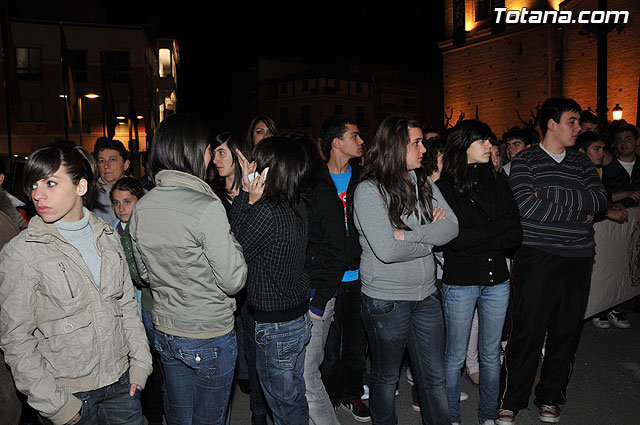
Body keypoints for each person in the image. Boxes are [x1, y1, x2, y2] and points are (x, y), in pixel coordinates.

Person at [0, 144, 152, 425]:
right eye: (34, 184)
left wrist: (141, 364)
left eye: (50, 183)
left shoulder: (108, 237)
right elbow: (16, 338)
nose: (37, 194)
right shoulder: (22, 252)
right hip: (67, 395)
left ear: (81, 186)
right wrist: (54, 404)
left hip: (121, 384)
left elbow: (126, 305)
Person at [129, 114, 247, 425]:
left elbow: (143, 273)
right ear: (192, 152)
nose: (210, 154)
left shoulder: (142, 206)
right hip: (208, 332)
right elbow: (234, 280)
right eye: (207, 148)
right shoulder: (206, 207)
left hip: (166, 329)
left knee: (179, 417)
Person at [497, 98, 607, 425]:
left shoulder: (582, 163)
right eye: (572, 121)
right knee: (527, 330)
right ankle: (511, 400)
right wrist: (578, 212)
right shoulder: (526, 160)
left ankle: (551, 396)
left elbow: (600, 201)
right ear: (552, 124)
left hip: (578, 257)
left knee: (566, 331)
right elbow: (527, 207)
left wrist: (551, 196)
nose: (578, 128)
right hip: (536, 256)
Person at [354, 116, 458, 425]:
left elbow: (452, 227)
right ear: (395, 147)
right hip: (386, 300)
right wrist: (429, 235)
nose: (424, 149)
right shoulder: (369, 190)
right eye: (416, 142)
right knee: (386, 378)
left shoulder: (422, 182)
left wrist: (407, 235)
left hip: (426, 294)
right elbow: (386, 251)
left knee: (434, 378)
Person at [435, 119, 522, 425]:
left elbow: (516, 235)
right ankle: (450, 418)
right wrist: (496, 229)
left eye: (490, 140)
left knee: (490, 355)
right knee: (455, 357)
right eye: (482, 141)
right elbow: (454, 241)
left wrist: (479, 233)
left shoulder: (498, 180)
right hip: (460, 282)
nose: (491, 146)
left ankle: (488, 415)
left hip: (497, 279)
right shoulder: (444, 187)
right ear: (463, 146)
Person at [230, 135, 314, 425]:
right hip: (297, 318)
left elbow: (232, 248)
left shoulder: (266, 211)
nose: (254, 168)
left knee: (283, 405)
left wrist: (246, 196)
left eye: (259, 165)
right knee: (293, 398)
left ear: (270, 172)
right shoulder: (297, 204)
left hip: (276, 325)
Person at [305, 115, 368, 424]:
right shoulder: (314, 182)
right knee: (327, 350)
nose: (361, 141)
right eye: (354, 135)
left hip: (362, 276)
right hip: (328, 280)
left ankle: (353, 393)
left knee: (357, 345)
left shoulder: (365, 178)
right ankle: (328, 397)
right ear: (336, 142)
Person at [210, 130, 271, 424]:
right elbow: (228, 240)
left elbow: (252, 238)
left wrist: (249, 196)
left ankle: (259, 413)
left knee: (257, 352)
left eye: (222, 152)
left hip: (256, 283)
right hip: (224, 285)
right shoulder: (211, 194)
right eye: (214, 152)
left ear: (238, 156)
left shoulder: (260, 188)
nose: (215, 158)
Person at [109, 177, 165, 425]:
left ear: (140, 202)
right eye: (116, 203)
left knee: (155, 362)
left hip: (149, 306)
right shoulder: (109, 232)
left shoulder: (148, 229)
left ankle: (156, 413)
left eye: (128, 202)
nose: (121, 208)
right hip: (124, 309)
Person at [574, 132, 630, 330]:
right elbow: (581, 204)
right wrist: (606, 212)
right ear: (581, 152)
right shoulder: (575, 172)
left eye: (603, 149)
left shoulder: (594, 171)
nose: (602, 154)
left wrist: (610, 205)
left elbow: (599, 197)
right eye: (596, 149)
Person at [602, 123, 640, 209]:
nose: (623, 143)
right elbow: (600, 196)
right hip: (613, 218)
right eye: (619, 140)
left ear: (637, 141)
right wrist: (625, 194)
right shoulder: (607, 166)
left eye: (628, 139)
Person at [93, 138, 131, 223]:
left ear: (125, 164)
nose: (106, 166)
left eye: (112, 159)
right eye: (101, 161)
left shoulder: (141, 194)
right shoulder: (90, 196)